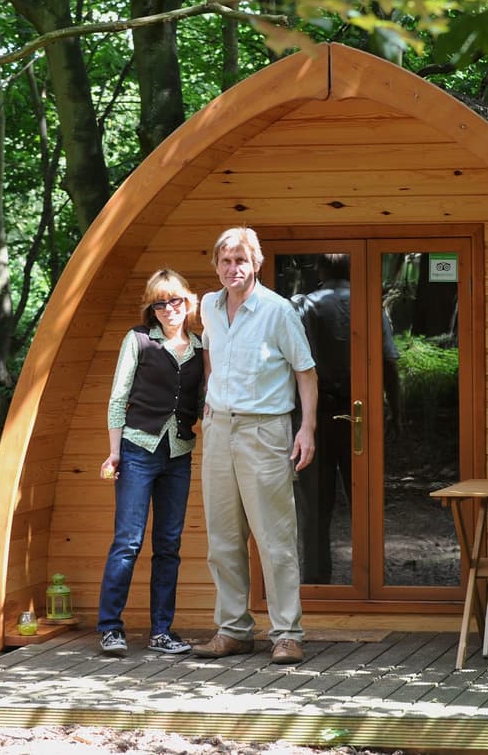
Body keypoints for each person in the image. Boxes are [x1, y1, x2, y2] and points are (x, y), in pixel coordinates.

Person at [193, 227, 317, 665]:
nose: (233, 269)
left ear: (257, 264)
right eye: (226, 261)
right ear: (216, 265)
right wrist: (210, 401)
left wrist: (306, 429)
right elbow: (210, 354)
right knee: (223, 539)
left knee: (274, 538)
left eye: (241, 261)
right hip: (218, 430)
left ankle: (287, 634)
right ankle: (233, 630)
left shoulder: (278, 311)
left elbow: (306, 372)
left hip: (265, 431)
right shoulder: (208, 306)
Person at [96, 269, 204, 657]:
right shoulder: (138, 340)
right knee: (128, 541)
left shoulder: (202, 348)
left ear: (188, 302)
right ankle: (110, 628)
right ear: (151, 309)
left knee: (169, 545)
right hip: (138, 450)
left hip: (179, 454)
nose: (168, 308)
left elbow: (204, 400)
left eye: (175, 300)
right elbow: (117, 399)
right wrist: (115, 452)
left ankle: (161, 632)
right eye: (160, 303)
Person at [291, 254, 401, 584]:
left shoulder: (304, 306)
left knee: (315, 506)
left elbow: (291, 364)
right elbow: (389, 362)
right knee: (366, 500)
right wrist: (396, 409)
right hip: (362, 416)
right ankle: (370, 578)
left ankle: (316, 581)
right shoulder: (370, 306)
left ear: (320, 268)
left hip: (316, 418)